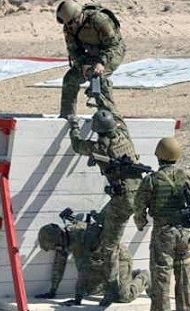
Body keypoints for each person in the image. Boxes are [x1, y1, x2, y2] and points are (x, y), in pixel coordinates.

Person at [67, 110, 143, 306]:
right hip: (138, 195)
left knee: (109, 248)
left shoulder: (100, 148)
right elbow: (119, 117)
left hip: (122, 201)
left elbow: (77, 145)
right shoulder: (124, 136)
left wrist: (74, 125)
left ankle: (111, 291)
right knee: (101, 221)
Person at [133, 137, 190, 311]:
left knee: (161, 279)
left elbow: (138, 206)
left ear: (158, 156)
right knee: (184, 279)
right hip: (185, 235)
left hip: (163, 234)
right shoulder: (187, 177)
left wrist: (141, 223)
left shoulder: (152, 180)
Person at [36, 220, 150, 306]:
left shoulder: (83, 236)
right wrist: (52, 291)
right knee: (92, 290)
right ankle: (128, 277)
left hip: (117, 259)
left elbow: (85, 269)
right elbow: (59, 265)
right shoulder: (63, 240)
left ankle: (144, 276)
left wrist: (77, 299)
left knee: (122, 296)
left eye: (56, 247)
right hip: (100, 262)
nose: (57, 249)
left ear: (59, 239)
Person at [56, 0, 126, 118]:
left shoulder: (100, 20)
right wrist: (82, 64)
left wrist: (101, 63)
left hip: (113, 52)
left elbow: (113, 45)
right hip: (91, 54)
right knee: (70, 79)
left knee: (98, 79)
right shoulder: (69, 27)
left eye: (72, 22)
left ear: (79, 16)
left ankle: (110, 118)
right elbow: (73, 50)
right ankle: (67, 116)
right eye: (67, 23)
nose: (69, 26)